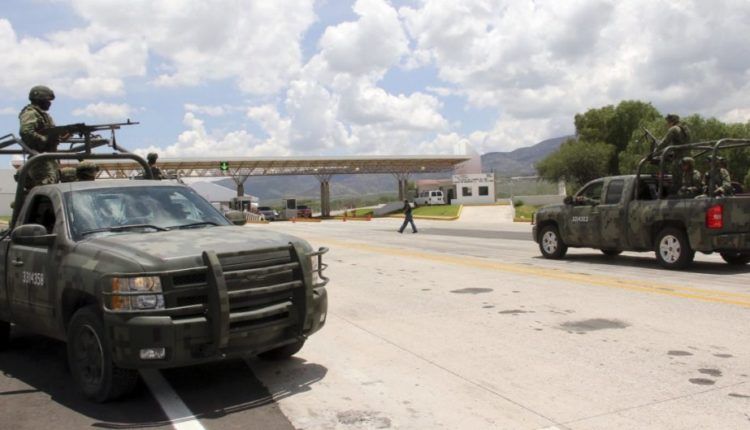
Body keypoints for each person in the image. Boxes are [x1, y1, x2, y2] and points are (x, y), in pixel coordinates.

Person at [19, 85, 65, 188]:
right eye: (47, 100)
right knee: (47, 188)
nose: (50, 103)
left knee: (51, 186)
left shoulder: (42, 115)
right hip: (40, 160)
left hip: (46, 157)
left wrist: (62, 135)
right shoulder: (31, 113)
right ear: (40, 99)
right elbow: (26, 132)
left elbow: (47, 133)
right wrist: (45, 140)